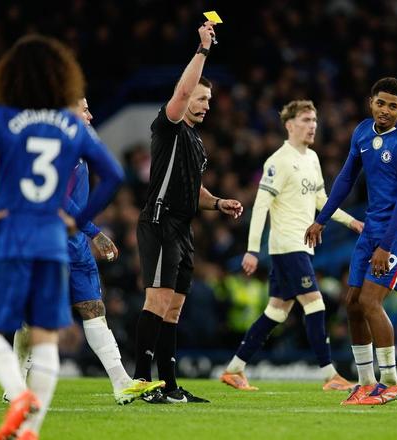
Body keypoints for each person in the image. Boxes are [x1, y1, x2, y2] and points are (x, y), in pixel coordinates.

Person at [0, 35, 123, 440]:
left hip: (11, 236)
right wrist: (79, 221)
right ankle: (32, 429)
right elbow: (115, 175)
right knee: (46, 335)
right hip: (53, 239)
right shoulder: (70, 126)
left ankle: (17, 393)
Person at [9, 98, 164, 405]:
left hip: (75, 242)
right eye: (84, 110)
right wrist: (95, 232)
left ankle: (121, 382)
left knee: (93, 308)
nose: (90, 115)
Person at [133, 21, 243, 404]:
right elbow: (181, 91)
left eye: (209, 100)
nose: (206, 104)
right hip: (160, 221)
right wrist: (203, 49)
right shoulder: (169, 126)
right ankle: (141, 381)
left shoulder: (195, 141)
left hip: (183, 226)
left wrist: (218, 202)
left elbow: (193, 189)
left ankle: (169, 385)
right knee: (158, 301)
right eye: (201, 98)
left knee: (174, 309)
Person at [220, 100, 363, 392]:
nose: (313, 126)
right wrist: (252, 249)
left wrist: (352, 222)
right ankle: (330, 375)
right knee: (315, 303)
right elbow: (261, 205)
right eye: (306, 120)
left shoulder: (312, 158)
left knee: (277, 311)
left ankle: (234, 369)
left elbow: (322, 201)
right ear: (289, 125)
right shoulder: (278, 161)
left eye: (315, 120)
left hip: (300, 246)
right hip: (287, 244)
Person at [305, 77, 397, 405]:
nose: (384, 110)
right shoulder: (362, 132)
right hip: (373, 226)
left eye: (392, 106)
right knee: (353, 303)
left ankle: (391, 382)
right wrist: (321, 219)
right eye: (380, 103)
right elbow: (346, 178)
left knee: (371, 301)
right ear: (370, 102)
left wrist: (386, 245)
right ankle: (365, 382)